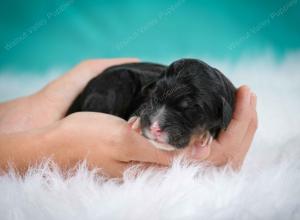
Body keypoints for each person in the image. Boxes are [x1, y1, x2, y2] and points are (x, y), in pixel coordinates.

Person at [0, 58, 257, 177]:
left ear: (221, 114)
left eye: (188, 110)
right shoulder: (132, 86)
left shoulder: (218, 103)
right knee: (120, 83)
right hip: (110, 90)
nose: (155, 125)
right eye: (156, 100)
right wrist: (46, 145)